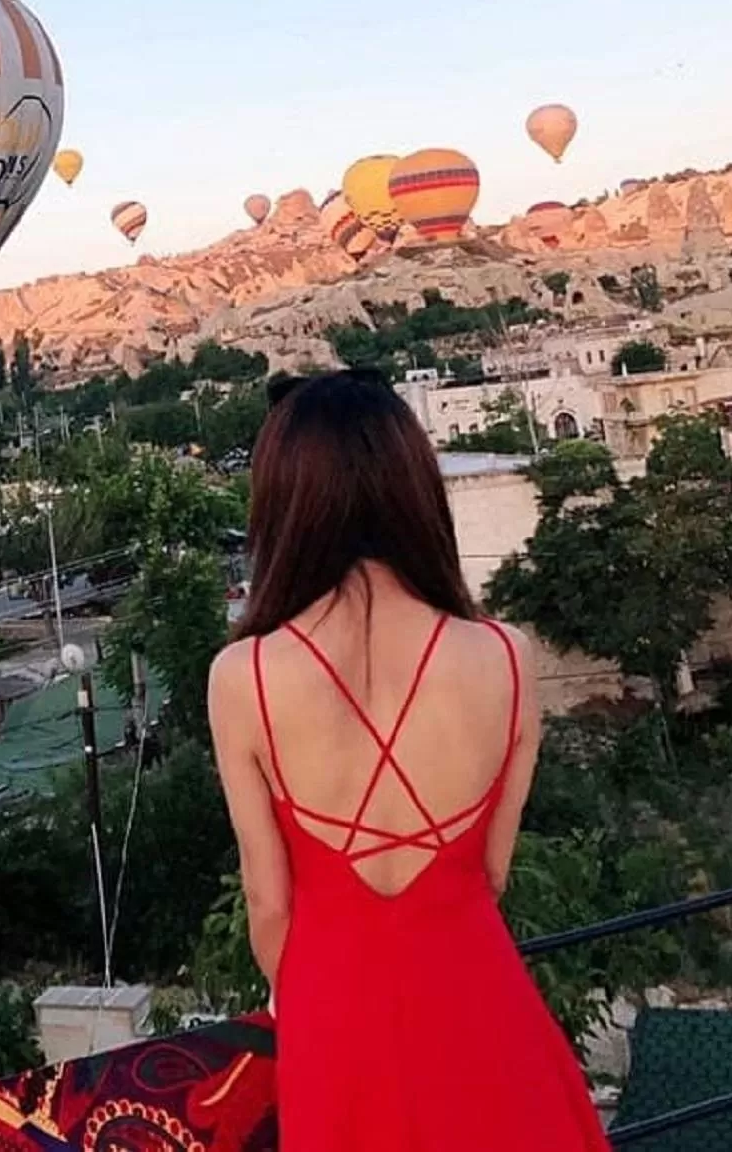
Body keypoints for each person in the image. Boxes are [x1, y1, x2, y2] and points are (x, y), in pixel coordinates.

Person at [207, 370, 609, 1151]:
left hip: (334, 1030)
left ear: (282, 501)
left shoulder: (243, 676)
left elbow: (269, 907)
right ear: (413, 485)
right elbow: (489, 876)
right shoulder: (506, 655)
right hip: (485, 1011)